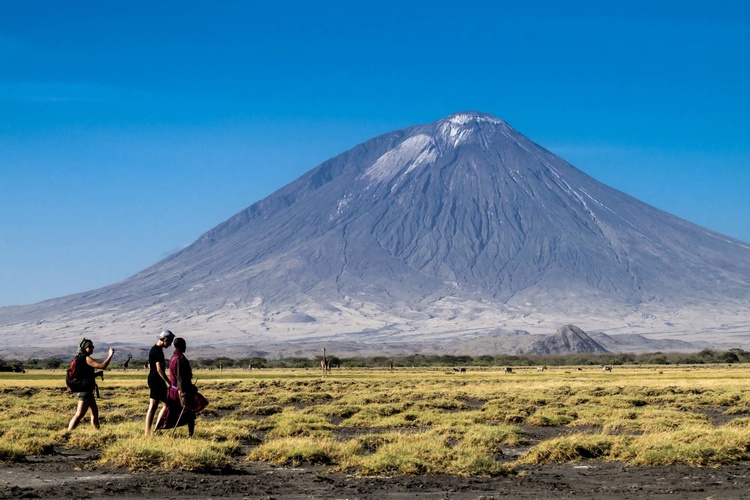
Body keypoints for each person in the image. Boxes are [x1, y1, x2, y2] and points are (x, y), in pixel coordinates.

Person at [156, 337, 208, 437]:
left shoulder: (173, 357)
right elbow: (179, 377)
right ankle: (190, 434)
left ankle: (159, 429)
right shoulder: (179, 359)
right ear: (180, 346)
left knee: (175, 412)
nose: (185, 347)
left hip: (174, 389)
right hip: (180, 391)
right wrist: (183, 394)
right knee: (187, 411)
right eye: (184, 345)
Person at [67, 338, 115, 431]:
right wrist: (110, 355)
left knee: (94, 413)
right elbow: (103, 366)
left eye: (93, 346)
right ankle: (67, 433)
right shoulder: (86, 358)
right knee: (79, 414)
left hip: (87, 390)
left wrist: (97, 374)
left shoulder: (79, 358)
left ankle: (97, 433)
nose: (92, 348)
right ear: (85, 348)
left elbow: (84, 375)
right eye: (90, 347)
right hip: (85, 391)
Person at [144, 329, 174, 436]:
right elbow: (159, 369)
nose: (170, 344)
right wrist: (168, 382)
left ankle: (154, 430)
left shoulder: (157, 350)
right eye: (170, 342)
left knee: (163, 404)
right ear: (165, 339)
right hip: (156, 380)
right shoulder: (156, 351)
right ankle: (150, 431)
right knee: (154, 406)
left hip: (156, 380)